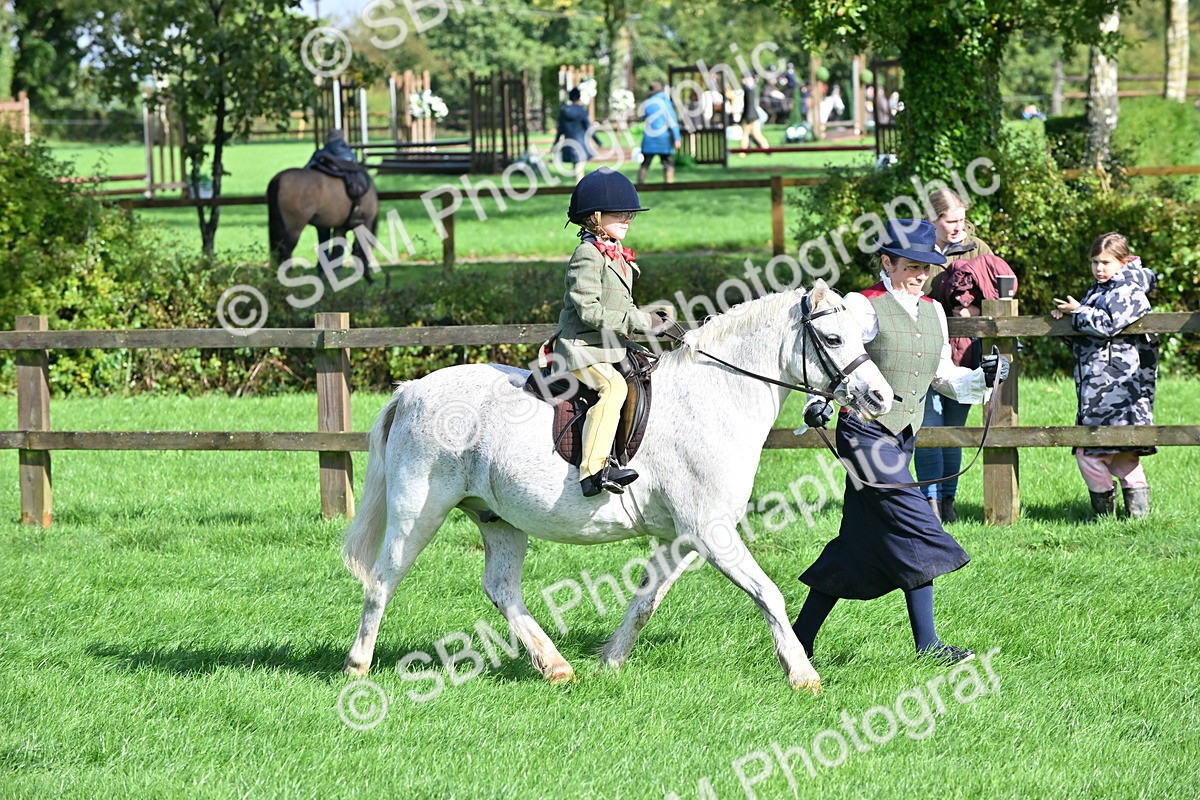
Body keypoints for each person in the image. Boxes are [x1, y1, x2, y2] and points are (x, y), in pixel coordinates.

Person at [792, 218, 1009, 667]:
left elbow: (942, 376)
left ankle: (798, 641)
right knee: (916, 522)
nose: (920, 276)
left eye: (925, 268)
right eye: (911, 266)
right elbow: (832, 355)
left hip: (902, 437)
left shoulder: (933, 311)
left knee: (856, 547)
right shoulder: (862, 305)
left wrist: (982, 378)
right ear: (886, 263)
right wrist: (818, 402)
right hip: (862, 434)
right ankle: (929, 637)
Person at [552, 167, 672, 497]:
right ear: (595, 217)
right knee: (613, 387)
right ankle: (593, 472)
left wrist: (651, 323)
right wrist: (642, 322)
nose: (628, 219)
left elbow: (621, 306)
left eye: (630, 214)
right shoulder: (587, 255)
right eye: (620, 213)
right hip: (580, 347)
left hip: (608, 345)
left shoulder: (616, 255)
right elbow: (589, 311)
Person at [1051, 232, 1158, 520]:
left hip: (1119, 386)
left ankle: (1107, 516)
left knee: (1093, 452)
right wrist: (1067, 318)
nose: (1099, 268)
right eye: (1095, 262)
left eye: (1106, 262)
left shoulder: (1129, 289)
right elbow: (1087, 332)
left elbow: (1109, 324)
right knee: (1120, 456)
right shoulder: (1100, 288)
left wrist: (1079, 311)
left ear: (1123, 261)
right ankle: (1132, 518)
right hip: (1099, 383)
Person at [915, 188, 998, 522]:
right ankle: (929, 503)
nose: (958, 227)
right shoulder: (916, 247)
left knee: (953, 429)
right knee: (928, 427)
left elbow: (997, 291)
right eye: (950, 221)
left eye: (962, 220)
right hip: (924, 347)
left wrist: (976, 310)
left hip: (964, 352)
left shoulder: (979, 248)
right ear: (933, 220)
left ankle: (948, 502)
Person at [553, 87, 601, 184]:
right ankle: (579, 189)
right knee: (579, 172)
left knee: (576, 169)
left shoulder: (564, 111)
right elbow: (588, 127)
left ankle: (577, 188)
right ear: (579, 97)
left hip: (569, 144)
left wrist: (555, 143)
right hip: (581, 144)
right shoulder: (582, 111)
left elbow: (560, 129)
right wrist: (597, 141)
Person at [636, 81, 681, 185]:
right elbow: (672, 121)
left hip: (649, 138)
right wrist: (677, 138)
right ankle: (669, 184)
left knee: (646, 163)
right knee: (668, 162)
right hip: (663, 139)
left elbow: (642, 118)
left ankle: (640, 184)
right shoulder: (665, 103)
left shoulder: (647, 103)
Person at [737, 74, 770, 155]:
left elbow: (749, 105)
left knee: (745, 135)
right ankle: (767, 149)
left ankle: (742, 153)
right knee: (757, 134)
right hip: (755, 116)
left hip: (749, 116)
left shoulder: (749, 90)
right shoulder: (753, 88)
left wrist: (748, 117)